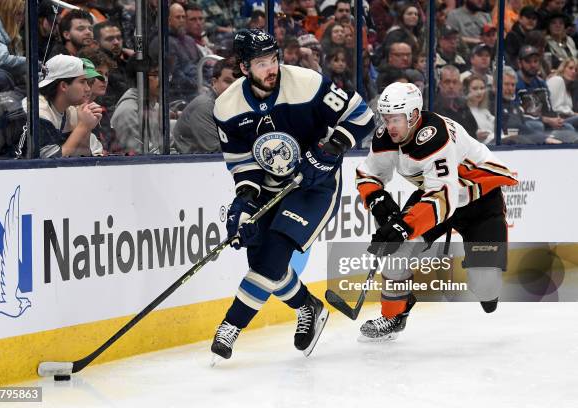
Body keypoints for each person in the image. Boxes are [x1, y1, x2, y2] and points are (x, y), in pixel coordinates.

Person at [211, 29, 375, 361]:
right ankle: (308, 307)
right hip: (271, 187)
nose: (272, 68)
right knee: (262, 263)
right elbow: (244, 166)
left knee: (273, 256)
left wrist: (332, 148)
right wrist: (244, 201)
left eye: (273, 59)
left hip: (315, 186)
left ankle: (230, 327)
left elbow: (361, 117)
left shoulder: (307, 83)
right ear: (244, 68)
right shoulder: (227, 107)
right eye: (261, 63)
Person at [355, 82, 518, 342]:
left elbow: (443, 200)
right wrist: (376, 198)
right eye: (386, 119)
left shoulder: (435, 136)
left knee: (486, 291)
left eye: (396, 119)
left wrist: (403, 226)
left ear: (414, 116)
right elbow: (368, 172)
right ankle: (394, 315)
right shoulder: (386, 136)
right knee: (398, 251)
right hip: (437, 192)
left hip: (480, 201)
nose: (390, 126)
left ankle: (485, 282)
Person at [37, 54, 103, 158]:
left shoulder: (73, 112)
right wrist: (83, 126)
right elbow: (52, 163)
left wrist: (87, 128)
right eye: (82, 82)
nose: (88, 89)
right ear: (63, 86)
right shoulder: (38, 112)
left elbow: (83, 158)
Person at [173, 58, 236, 153]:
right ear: (214, 82)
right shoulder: (204, 106)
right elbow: (220, 153)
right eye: (228, 81)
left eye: (238, 83)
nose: (233, 87)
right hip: (189, 164)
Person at [546, 57, 578, 130]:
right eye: (570, 68)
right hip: (551, 121)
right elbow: (555, 107)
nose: (573, 72)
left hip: (562, 119)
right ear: (563, 68)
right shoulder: (557, 80)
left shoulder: (568, 88)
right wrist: (573, 114)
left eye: (576, 70)